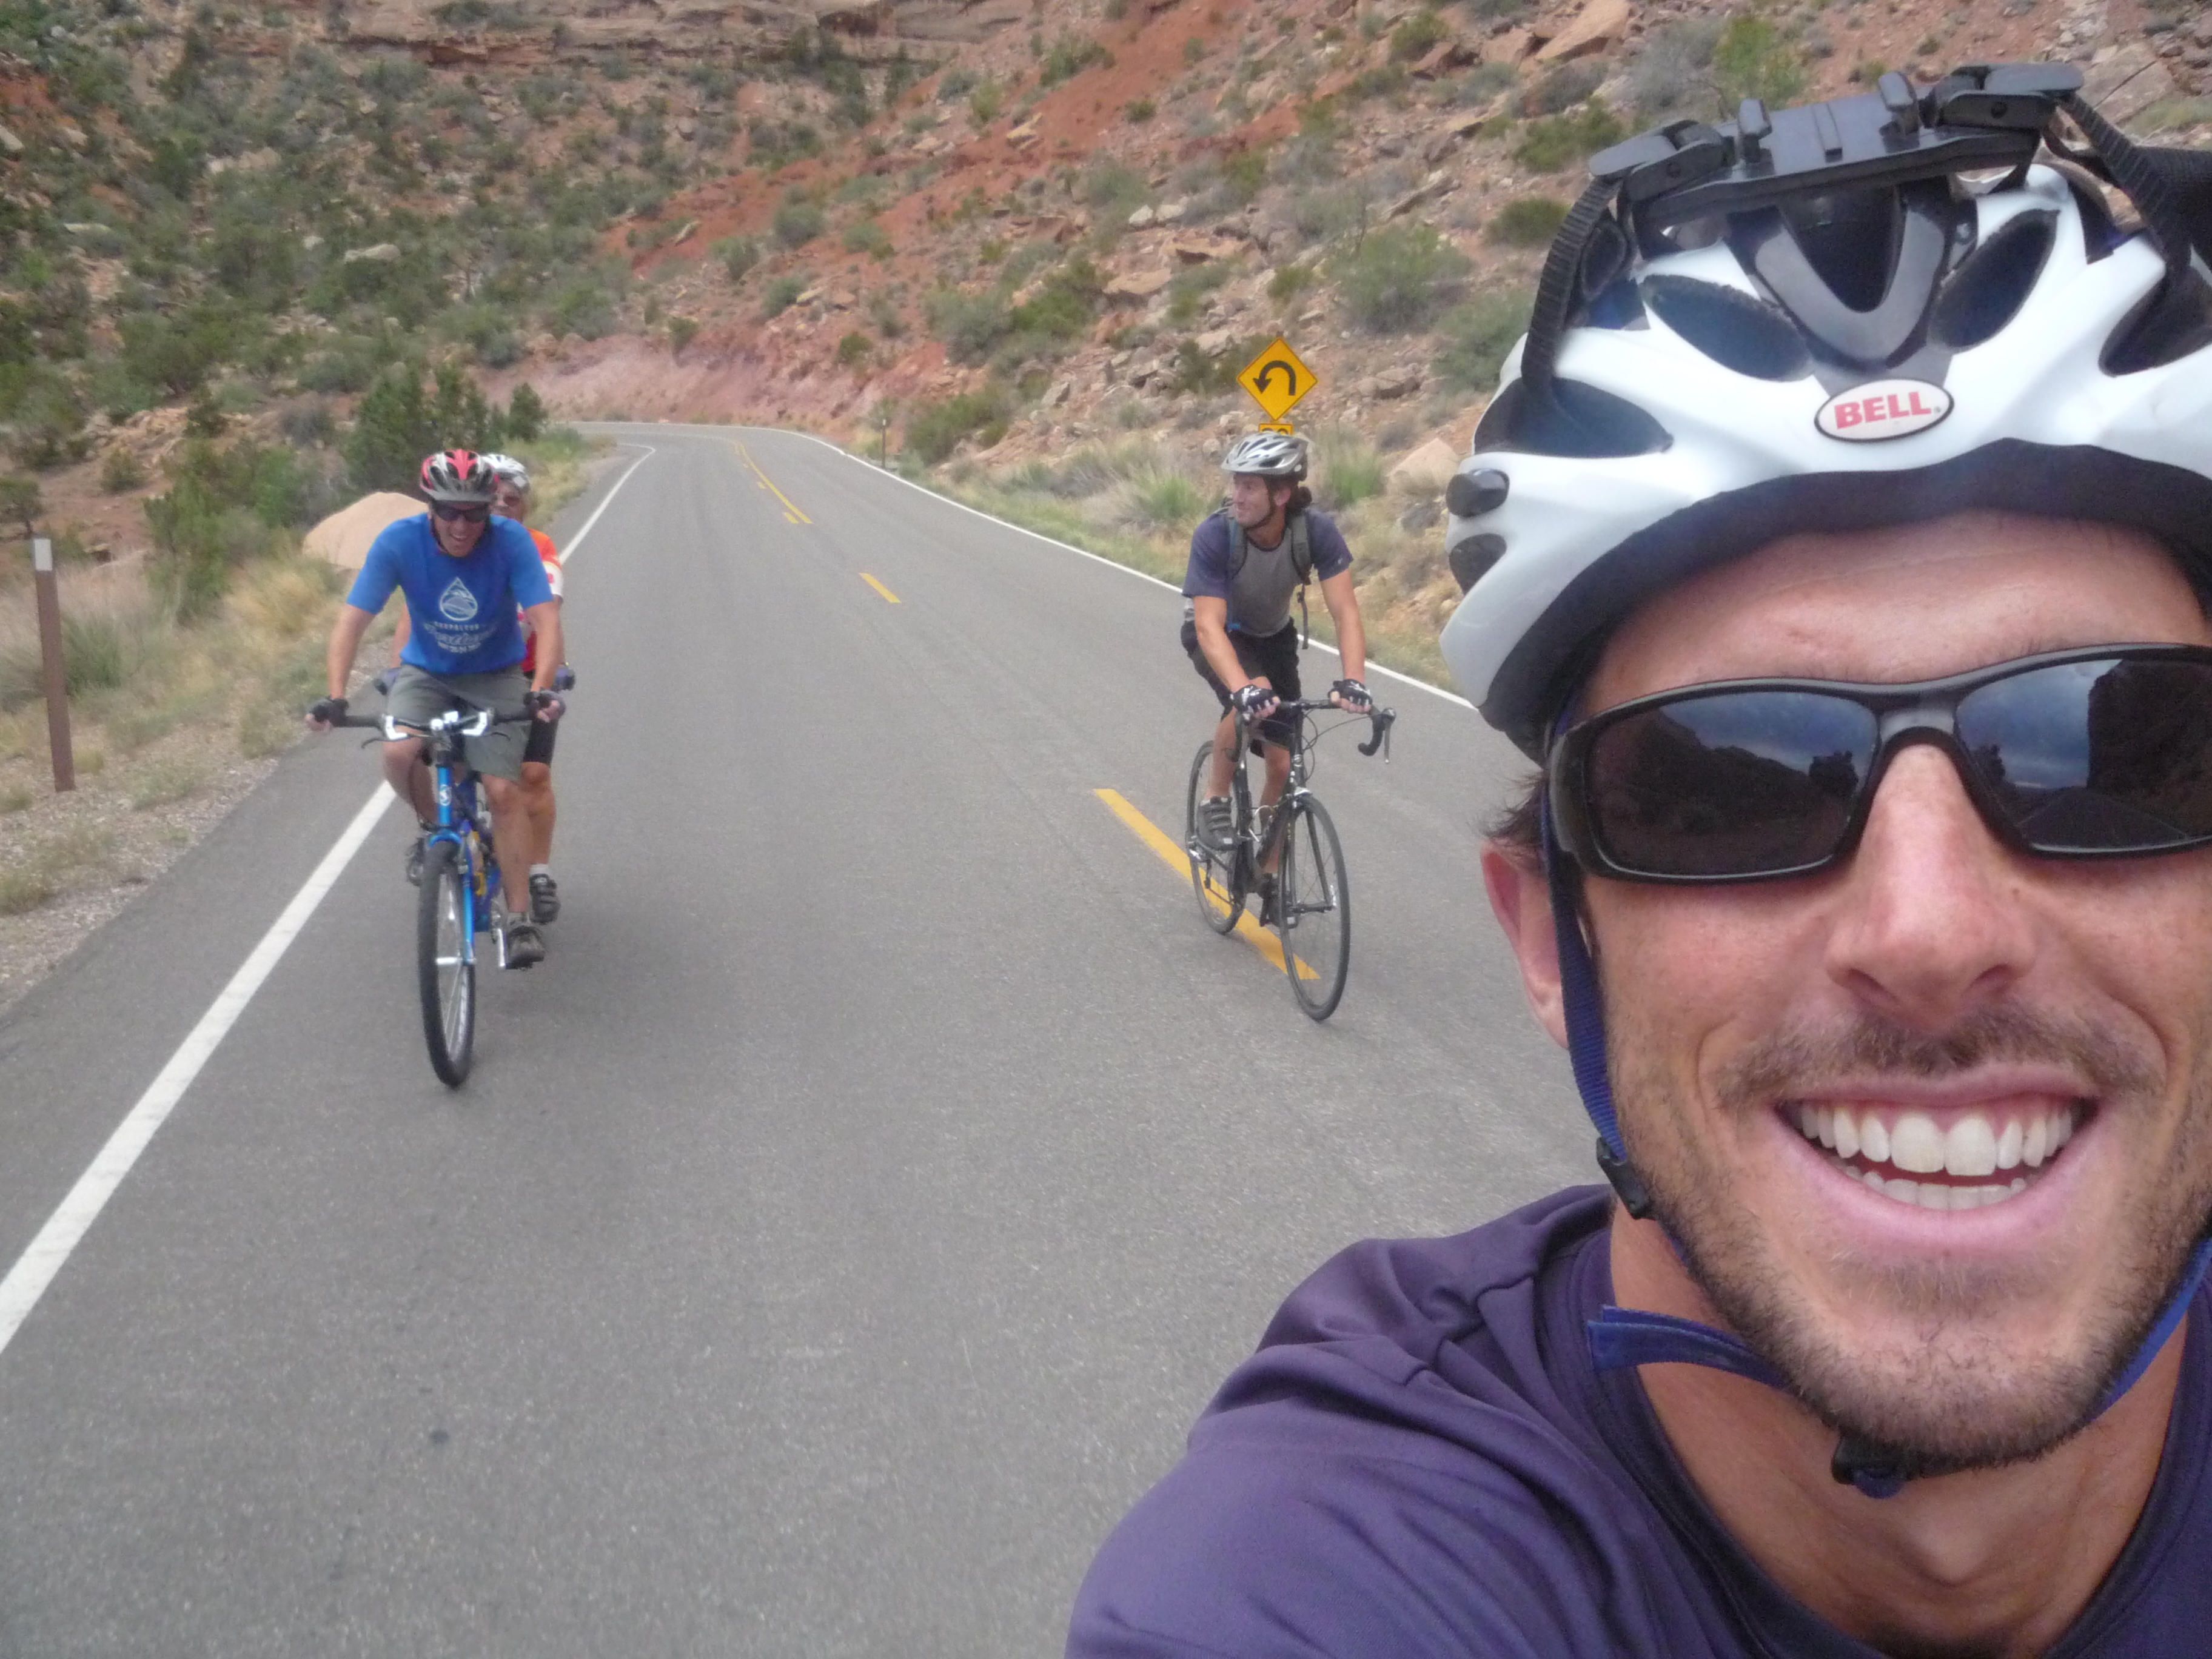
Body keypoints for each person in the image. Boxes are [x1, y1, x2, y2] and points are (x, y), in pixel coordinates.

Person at [1072, 67, 2212, 1655]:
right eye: (1726, 790)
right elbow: (1223, 621)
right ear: (1552, 940)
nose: (1935, 929)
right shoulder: (1349, 1564)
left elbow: (1340, 611)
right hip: (1226, 648)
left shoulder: (1320, 532)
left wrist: (1340, 666)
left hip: (1290, 640)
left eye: (2114, 747)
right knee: (1239, 717)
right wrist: (1256, 689)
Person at [310, 449, 564, 968]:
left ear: (490, 510)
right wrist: (336, 696)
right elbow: (352, 621)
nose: (462, 525)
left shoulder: (511, 541)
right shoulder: (399, 542)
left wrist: (539, 688)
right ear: (430, 505)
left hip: (494, 675)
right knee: (398, 753)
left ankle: (517, 920)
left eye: (475, 513)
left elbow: (546, 621)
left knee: (503, 791)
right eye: (449, 511)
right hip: (426, 672)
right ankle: (436, 831)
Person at [1181, 431, 1371, 915]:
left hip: (1275, 637)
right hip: (1220, 632)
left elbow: (1346, 612)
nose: (1236, 496)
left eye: (1248, 487)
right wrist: (1243, 688)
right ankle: (1214, 800)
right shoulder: (1215, 535)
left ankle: (1266, 869)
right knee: (1252, 699)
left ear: (1281, 494)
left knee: (1284, 766)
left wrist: (1354, 679)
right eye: (1235, 484)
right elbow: (1207, 624)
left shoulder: (1315, 532)